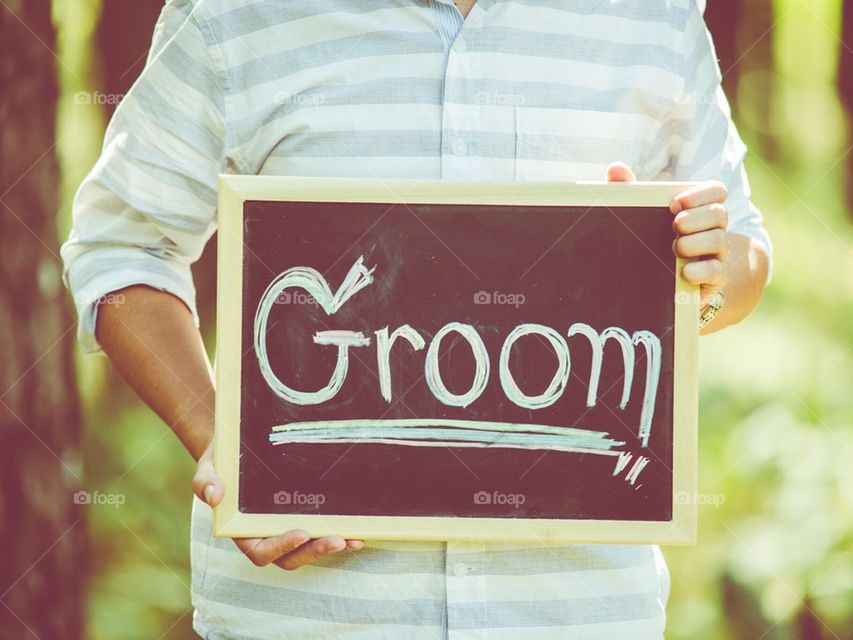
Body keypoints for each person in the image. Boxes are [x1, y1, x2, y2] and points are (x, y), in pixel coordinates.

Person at [62, 0, 771, 637]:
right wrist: (224, 446)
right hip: (306, 618)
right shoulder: (238, 15)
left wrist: (703, 270)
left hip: (574, 610)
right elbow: (125, 246)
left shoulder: (651, 18)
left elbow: (742, 255)